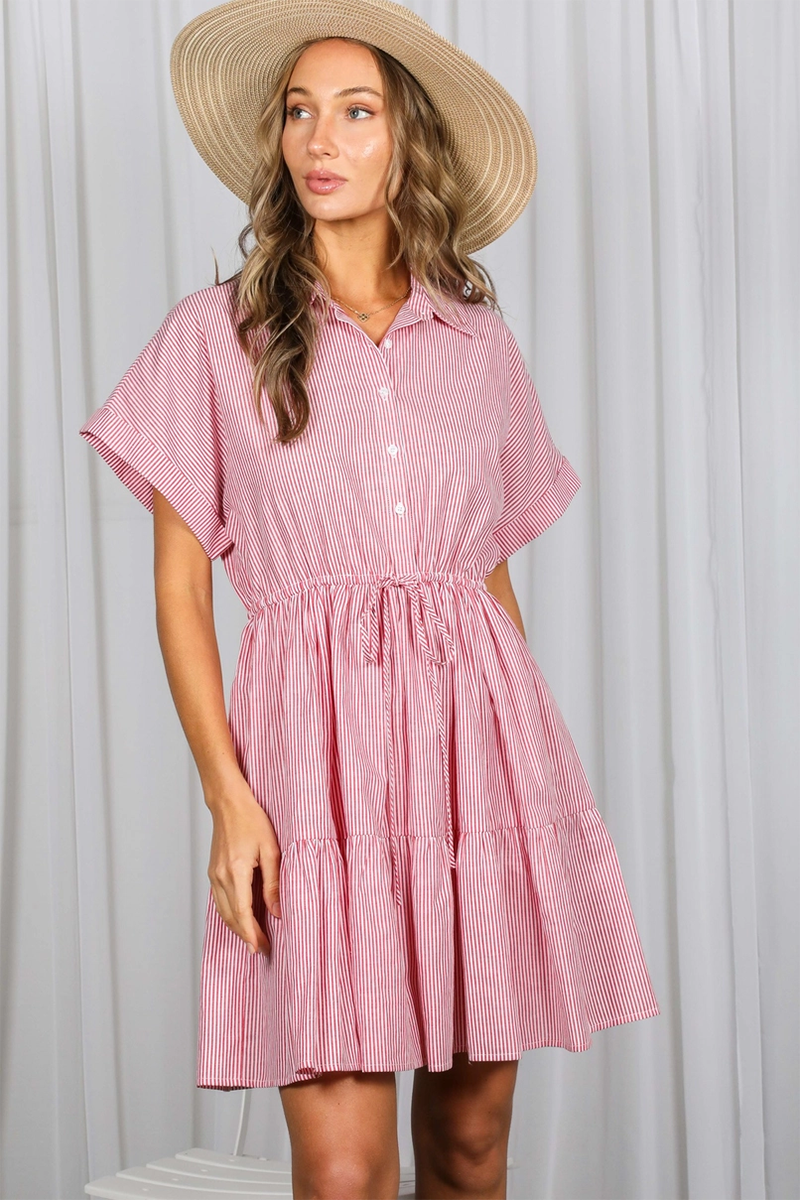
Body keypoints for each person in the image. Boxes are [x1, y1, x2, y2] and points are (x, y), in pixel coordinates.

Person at [79, 2, 660, 1197]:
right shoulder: (213, 337)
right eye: (298, 111)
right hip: (312, 780)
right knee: (343, 1174)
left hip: (480, 770)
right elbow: (180, 592)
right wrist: (228, 800)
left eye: (355, 111)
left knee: (468, 1147)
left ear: (408, 145)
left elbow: (486, 574)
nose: (318, 139)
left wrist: (514, 768)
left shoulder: (477, 344)